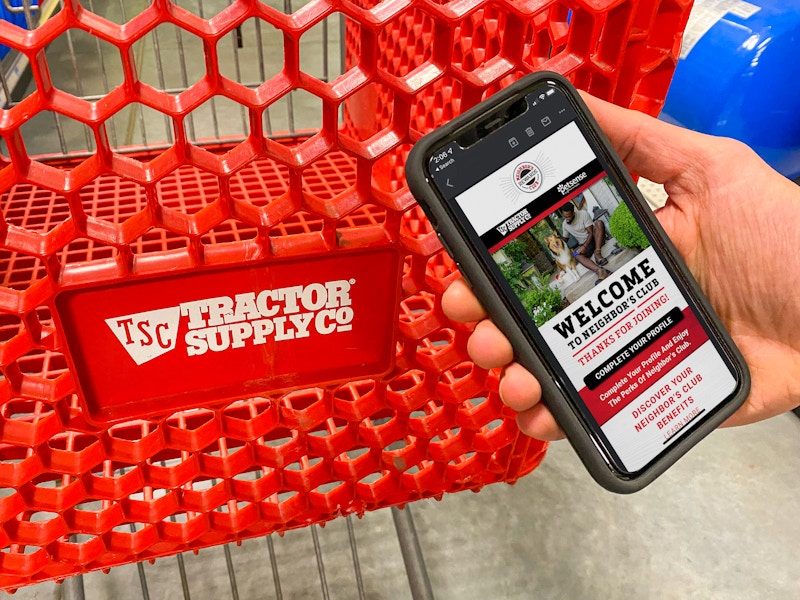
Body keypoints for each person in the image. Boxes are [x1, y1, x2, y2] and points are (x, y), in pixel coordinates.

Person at [442, 92, 800, 441]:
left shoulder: (575, 211)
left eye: (565, 210)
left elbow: (590, 220)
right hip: (584, 251)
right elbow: (568, 244)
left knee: (595, 233)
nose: (565, 213)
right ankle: (598, 268)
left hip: (594, 239)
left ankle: (597, 265)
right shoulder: (565, 226)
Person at [559, 199, 610, 280]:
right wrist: (556, 241)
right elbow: (565, 239)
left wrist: (584, 246)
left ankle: (597, 253)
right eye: (565, 217)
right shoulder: (565, 224)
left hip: (596, 238)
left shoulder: (583, 214)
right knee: (575, 255)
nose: (567, 219)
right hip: (584, 245)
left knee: (599, 223)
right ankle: (599, 270)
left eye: (569, 216)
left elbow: (590, 232)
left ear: (573, 212)